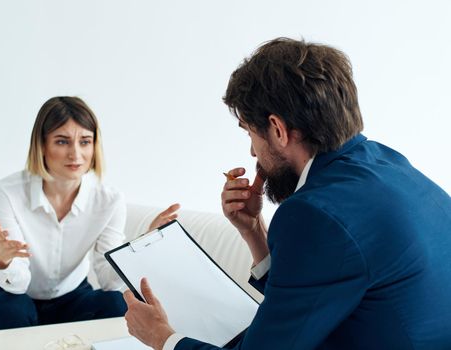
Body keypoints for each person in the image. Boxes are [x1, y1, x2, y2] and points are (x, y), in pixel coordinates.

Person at [122, 38, 451, 349]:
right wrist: (253, 230)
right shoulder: (388, 163)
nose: (252, 153)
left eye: (250, 133)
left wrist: (162, 338)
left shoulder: (315, 213)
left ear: (277, 130)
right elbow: (308, 296)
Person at [0, 96, 179, 331]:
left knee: (118, 304)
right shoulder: (7, 192)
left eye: (85, 142)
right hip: (19, 295)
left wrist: (141, 246)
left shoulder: (109, 200)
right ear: (42, 145)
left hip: (73, 298)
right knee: (10, 312)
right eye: (62, 142)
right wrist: (3, 260)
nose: (75, 154)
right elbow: (18, 284)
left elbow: (109, 281)